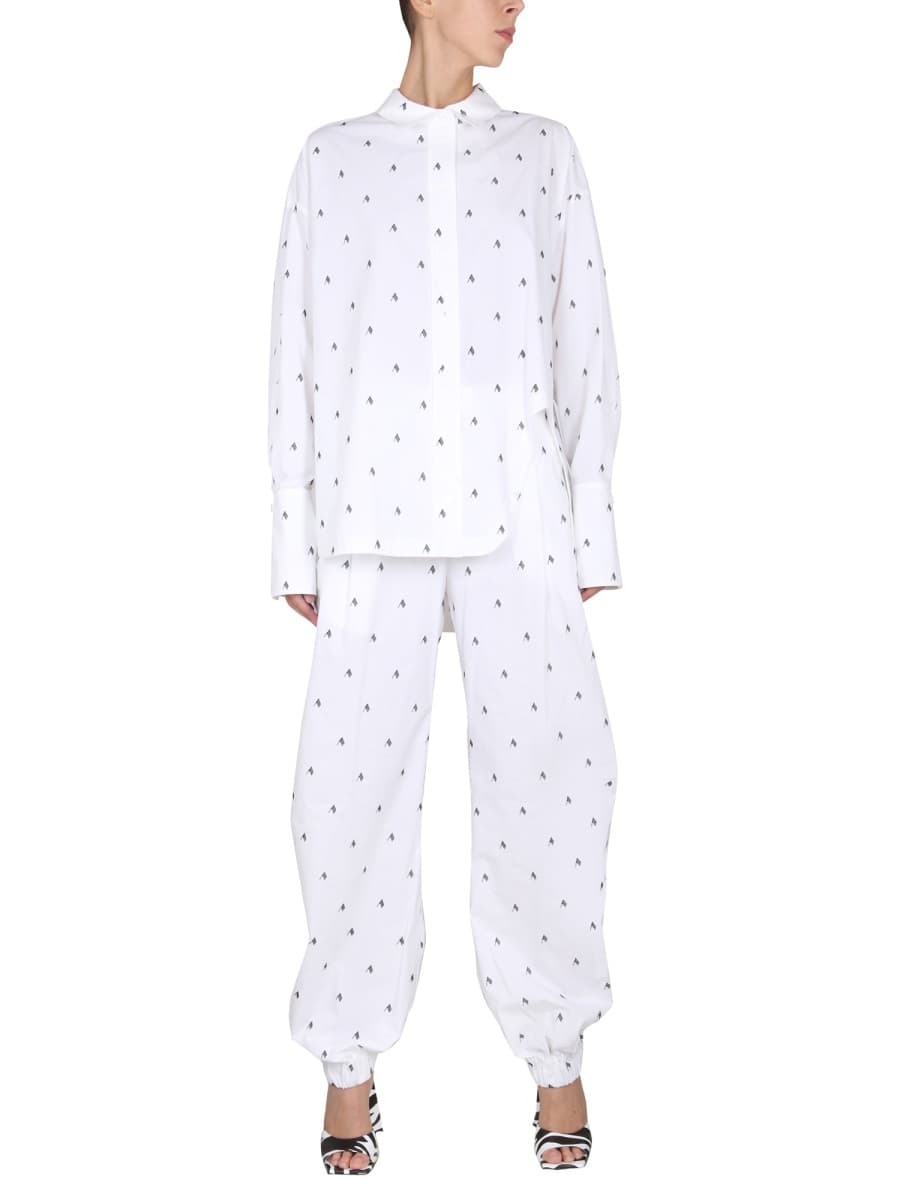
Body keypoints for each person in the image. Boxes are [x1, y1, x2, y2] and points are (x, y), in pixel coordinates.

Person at [267, 0, 624, 1173]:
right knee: (346, 797)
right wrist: (295, 538)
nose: (518, 4)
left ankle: (556, 1049)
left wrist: (589, 529)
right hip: (368, 524)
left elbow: (583, 342)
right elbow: (297, 350)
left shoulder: (543, 154)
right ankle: (348, 1063)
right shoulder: (333, 160)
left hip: (523, 517)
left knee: (553, 780)